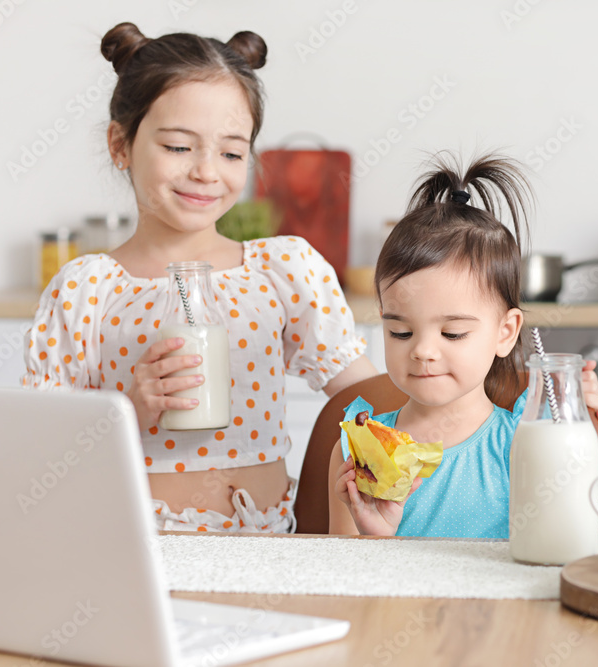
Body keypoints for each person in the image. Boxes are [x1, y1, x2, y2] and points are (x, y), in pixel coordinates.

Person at [22, 22, 378, 533]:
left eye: (231, 152)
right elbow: (45, 459)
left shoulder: (283, 272)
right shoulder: (87, 290)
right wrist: (127, 409)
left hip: (268, 550)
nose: (208, 172)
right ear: (120, 144)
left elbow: (364, 397)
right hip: (141, 547)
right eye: (178, 147)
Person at [328, 153, 598, 550]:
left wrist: (574, 428)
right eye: (401, 331)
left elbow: (595, 536)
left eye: (453, 333)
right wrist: (376, 540)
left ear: (506, 332)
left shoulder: (527, 443)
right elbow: (336, 584)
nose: (423, 351)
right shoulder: (357, 452)